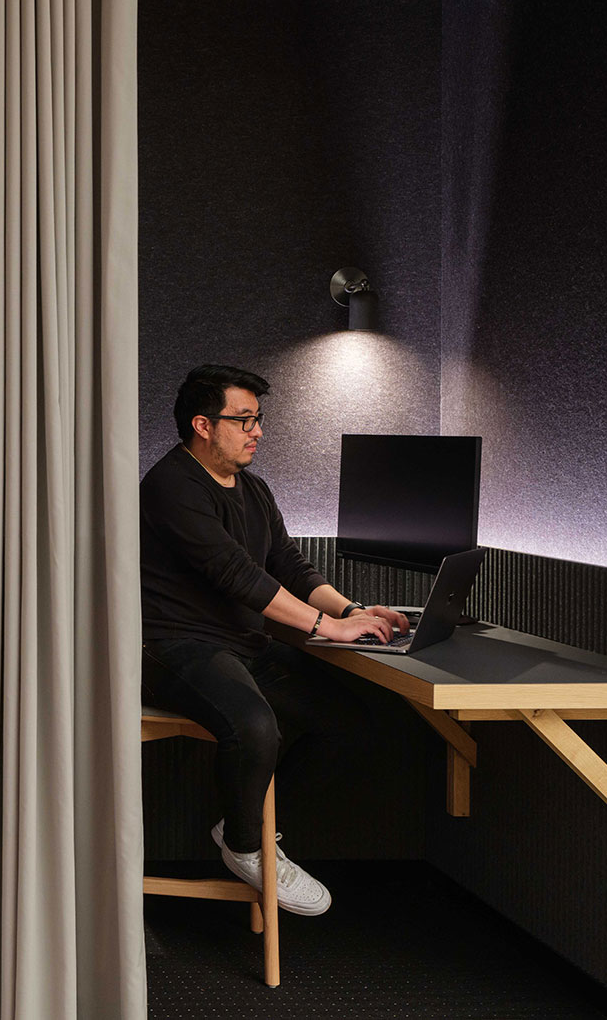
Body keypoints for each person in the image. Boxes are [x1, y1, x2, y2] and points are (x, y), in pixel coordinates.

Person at [140, 364, 403, 916]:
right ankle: (245, 848)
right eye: (244, 419)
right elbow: (237, 574)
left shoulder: (255, 490)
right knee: (256, 725)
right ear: (203, 425)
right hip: (173, 647)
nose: (258, 430)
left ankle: (249, 824)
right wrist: (325, 628)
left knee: (351, 723)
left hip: (241, 644)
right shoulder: (171, 486)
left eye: (259, 419)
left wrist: (353, 611)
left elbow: (291, 566)